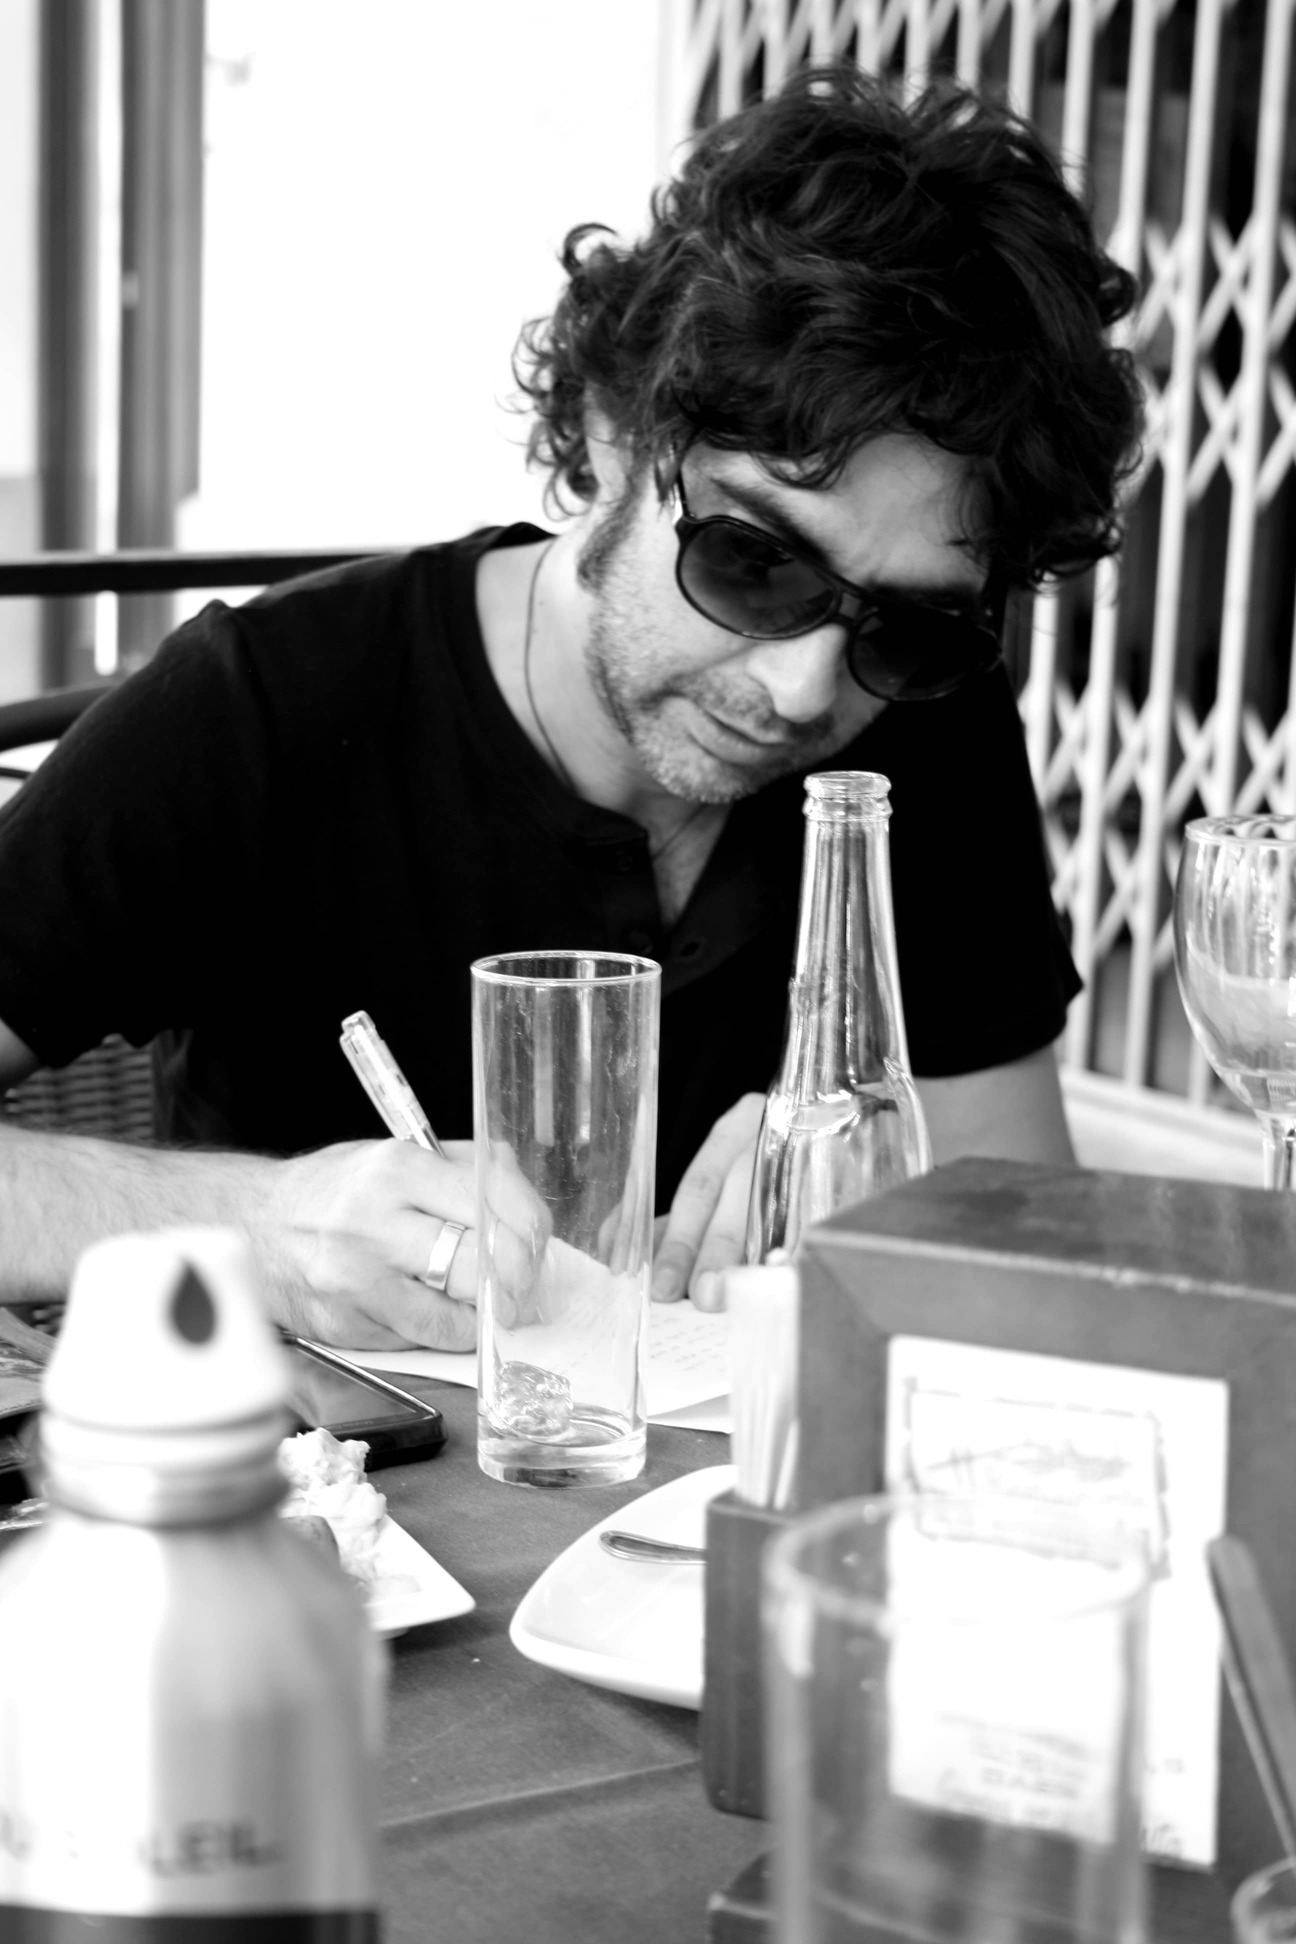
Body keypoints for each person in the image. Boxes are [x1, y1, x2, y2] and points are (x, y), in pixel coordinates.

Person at [0, 66, 1141, 1349]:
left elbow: (1022, 1217)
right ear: (612, 432)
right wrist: (262, 1225)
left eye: (910, 626)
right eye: (756, 562)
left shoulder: (917, 713)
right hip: (320, 1465)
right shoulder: (265, 704)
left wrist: (881, 1185)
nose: (805, 688)